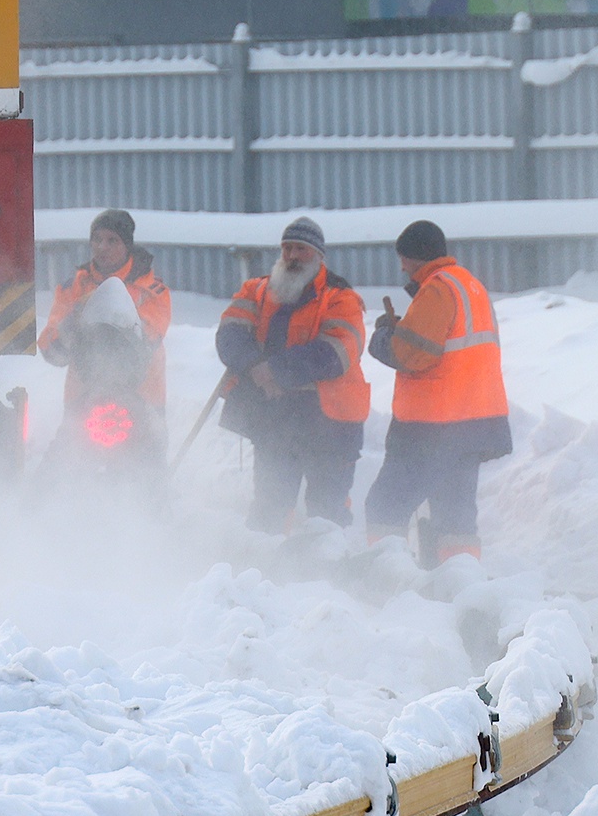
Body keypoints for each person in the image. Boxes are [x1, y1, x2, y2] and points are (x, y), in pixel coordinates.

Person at [363, 220, 511, 564]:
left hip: (433, 427)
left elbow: (411, 354)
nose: (402, 267)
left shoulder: (437, 289)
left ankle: (385, 575)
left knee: (386, 505)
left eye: (403, 259)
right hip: (473, 422)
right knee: (455, 517)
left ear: (416, 257)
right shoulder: (470, 286)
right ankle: (459, 579)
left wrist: (384, 336)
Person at [215, 218, 370, 533]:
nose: (292, 256)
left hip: (329, 421)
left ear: (318, 255)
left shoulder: (341, 298)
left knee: (327, 511)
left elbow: (337, 352)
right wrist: (255, 366)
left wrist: (274, 371)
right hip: (275, 418)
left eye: (301, 249)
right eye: (287, 248)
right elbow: (230, 333)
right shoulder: (257, 290)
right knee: (270, 505)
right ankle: (267, 559)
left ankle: (326, 561)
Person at [41, 208, 172, 423]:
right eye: (97, 239)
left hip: (143, 401)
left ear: (127, 245)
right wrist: (74, 318)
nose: (102, 247)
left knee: (150, 444)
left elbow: (149, 339)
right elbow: (50, 349)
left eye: (112, 240)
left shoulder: (152, 290)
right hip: (82, 402)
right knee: (66, 445)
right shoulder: (74, 288)